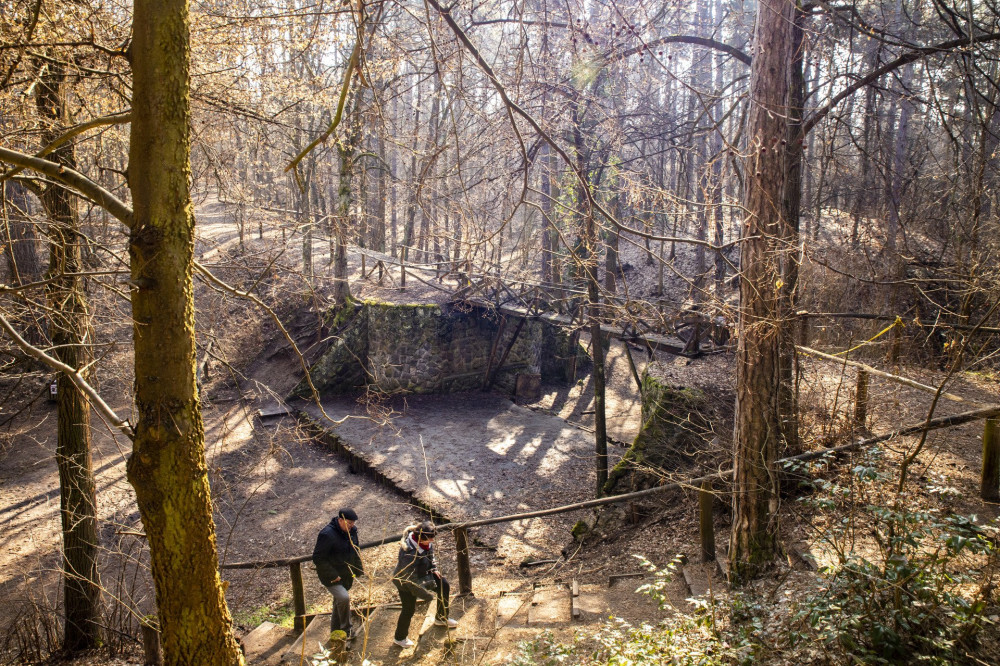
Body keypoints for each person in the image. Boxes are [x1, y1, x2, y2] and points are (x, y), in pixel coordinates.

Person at [391, 521, 457, 648]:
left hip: (423, 573)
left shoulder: (426, 543)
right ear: (420, 538)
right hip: (406, 581)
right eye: (429, 540)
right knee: (408, 609)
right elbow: (411, 580)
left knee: (444, 585)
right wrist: (426, 595)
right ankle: (399, 637)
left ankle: (441, 617)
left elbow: (431, 556)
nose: (431, 542)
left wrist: (434, 568)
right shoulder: (408, 553)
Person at [312, 508, 364, 638]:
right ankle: (347, 630)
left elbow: (355, 549)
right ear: (340, 520)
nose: (352, 526)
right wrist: (333, 575)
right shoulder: (327, 534)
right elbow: (318, 558)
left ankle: (335, 632)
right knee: (343, 598)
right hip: (330, 576)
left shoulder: (352, 531)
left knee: (338, 602)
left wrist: (358, 568)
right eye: (349, 523)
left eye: (353, 523)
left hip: (346, 575)